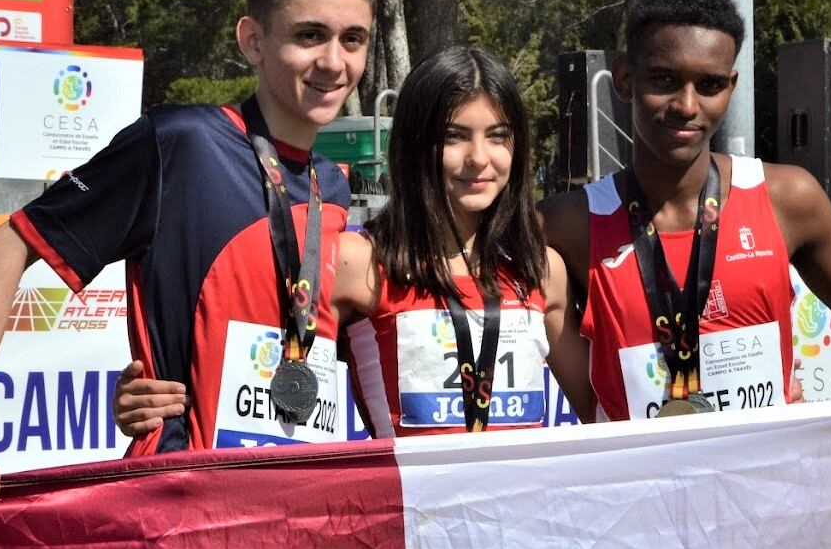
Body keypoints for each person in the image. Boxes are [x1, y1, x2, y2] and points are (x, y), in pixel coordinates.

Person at [0, 0, 375, 510]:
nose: (333, 62)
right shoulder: (180, 144)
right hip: (185, 497)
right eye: (309, 35)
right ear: (253, 41)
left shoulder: (332, 185)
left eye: (353, 40)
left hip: (291, 497)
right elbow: (6, 248)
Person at [116, 47, 595, 439]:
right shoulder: (358, 262)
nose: (479, 158)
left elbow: (606, 411)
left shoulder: (541, 270)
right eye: (454, 137)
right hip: (408, 535)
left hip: (521, 536)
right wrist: (149, 395)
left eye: (498, 136)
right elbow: (246, 362)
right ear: (413, 147)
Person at [538, 0, 831, 422]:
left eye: (709, 85)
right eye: (665, 80)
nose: (687, 104)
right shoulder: (568, 223)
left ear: (731, 86)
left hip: (759, 485)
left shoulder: (788, 198)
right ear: (625, 79)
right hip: (637, 486)